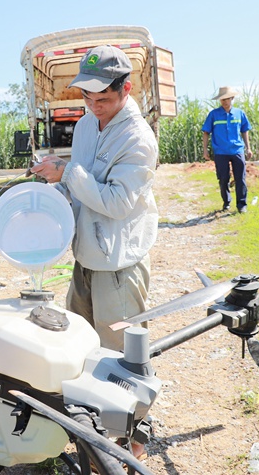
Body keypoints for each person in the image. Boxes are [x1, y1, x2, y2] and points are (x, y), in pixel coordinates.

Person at [30, 45, 159, 353]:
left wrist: (67, 172)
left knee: (121, 354)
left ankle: (131, 404)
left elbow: (117, 203)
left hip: (118, 265)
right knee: (80, 344)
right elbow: (77, 186)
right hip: (86, 257)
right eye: (87, 97)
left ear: (125, 88)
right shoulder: (86, 124)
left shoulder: (137, 139)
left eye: (103, 99)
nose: (94, 106)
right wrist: (47, 198)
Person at [201, 86, 253, 213]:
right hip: (220, 152)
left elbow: (244, 131)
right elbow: (206, 132)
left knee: (240, 178)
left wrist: (248, 148)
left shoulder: (239, 113)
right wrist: (205, 150)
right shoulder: (214, 115)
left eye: (227, 99)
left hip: (237, 150)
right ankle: (226, 202)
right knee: (223, 178)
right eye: (222, 99)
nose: (224, 102)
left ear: (232, 98)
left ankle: (242, 205)